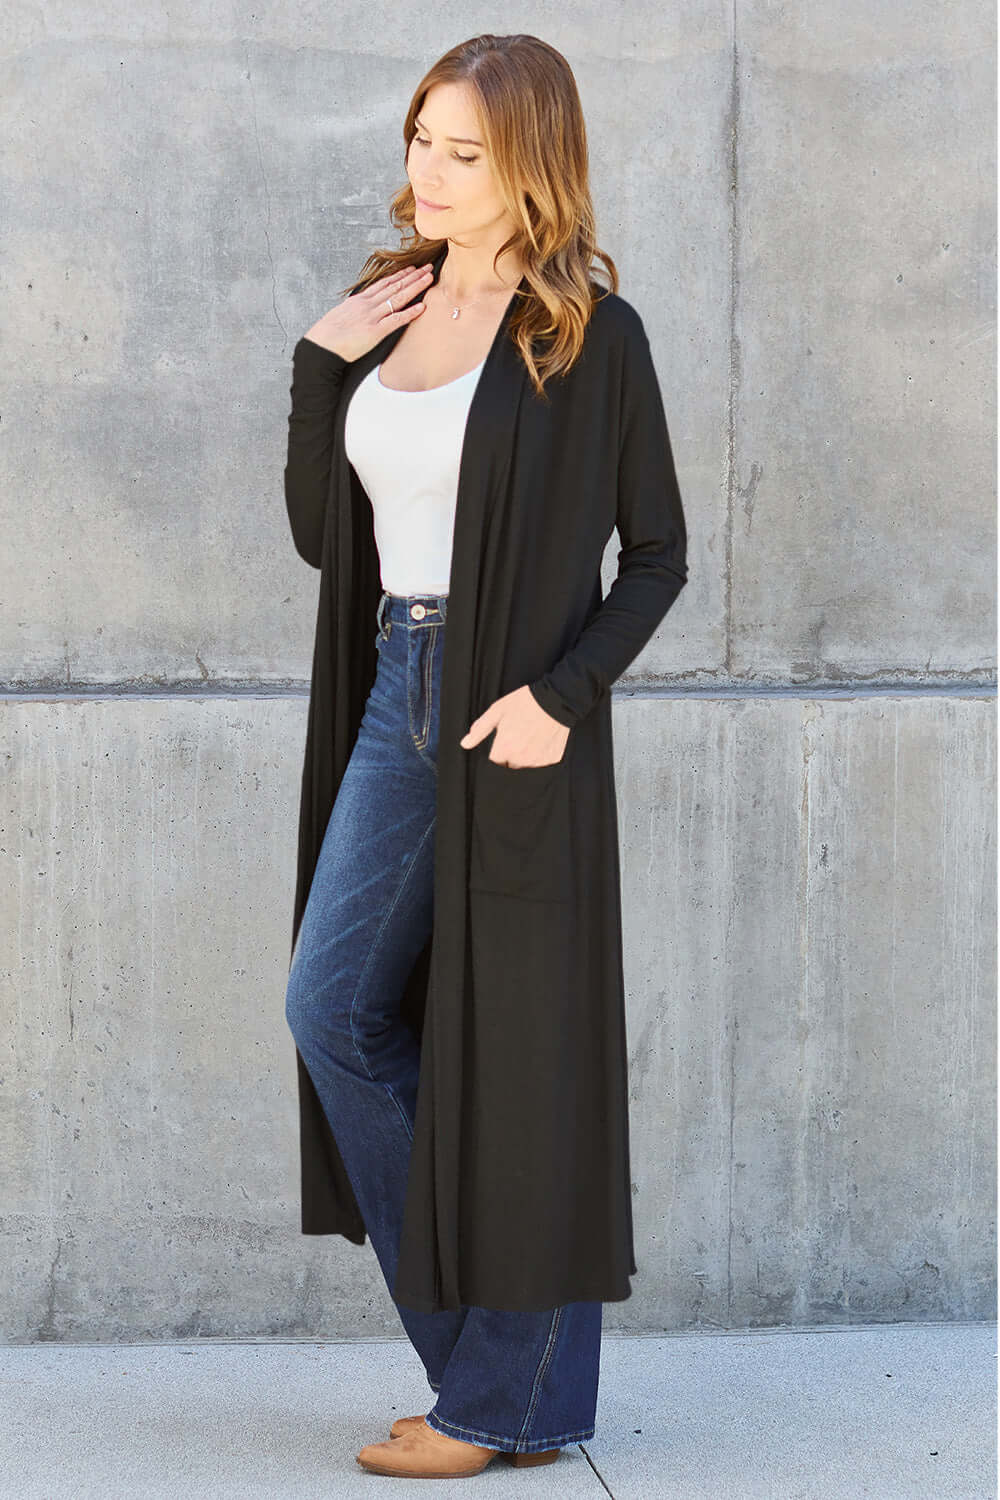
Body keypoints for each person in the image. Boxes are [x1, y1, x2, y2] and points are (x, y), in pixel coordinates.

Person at [283, 32, 688, 1482]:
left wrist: (561, 697)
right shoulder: (384, 308)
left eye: (465, 151)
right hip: (399, 679)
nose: (430, 175)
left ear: (534, 159)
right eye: (420, 142)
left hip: (512, 713)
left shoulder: (585, 334)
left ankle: (497, 1399)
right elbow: (333, 540)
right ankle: (490, 1379)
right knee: (335, 1009)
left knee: (516, 1057)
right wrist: (319, 373)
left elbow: (656, 558)